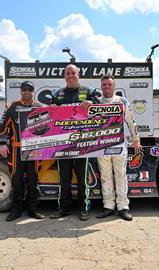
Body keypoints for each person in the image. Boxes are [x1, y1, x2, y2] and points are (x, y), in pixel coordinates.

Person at [49, 64, 99, 221]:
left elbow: (102, 110)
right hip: (62, 143)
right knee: (63, 178)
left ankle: (84, 208)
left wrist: (93, 105)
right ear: (64, 76)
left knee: (82, 179)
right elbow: (49, 115)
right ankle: (63, 208)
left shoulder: (89, 92)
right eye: (68, 73)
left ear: (79, 74)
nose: (70, 75)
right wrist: (50, 108)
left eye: (73, 73)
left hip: (82, 143)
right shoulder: (57, 94)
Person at [96, 74, 141, 221]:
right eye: (104, 84)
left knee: (121, 175)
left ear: (114, 86)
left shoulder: (122, 101)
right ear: (101, 86)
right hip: (102, 145)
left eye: (109, 84)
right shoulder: (96, 102)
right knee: (105, 176)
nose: (107, 87)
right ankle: (108, 206)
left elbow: (130, 120)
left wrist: (136, 139)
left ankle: (123, 207)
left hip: (119, 144)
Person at [0, 81, 45, 222]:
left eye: (29, 89)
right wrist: (2, 144)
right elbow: (3, 127)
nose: (26, 91)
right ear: (20, 91)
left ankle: (33, 210)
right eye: (24, 89)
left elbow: (49, 127)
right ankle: (15, 211)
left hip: (34, 149)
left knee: (33, 180)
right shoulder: (12, 107)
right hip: (16, 149)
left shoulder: (40, 107)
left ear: (33, 91)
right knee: (17, 180)